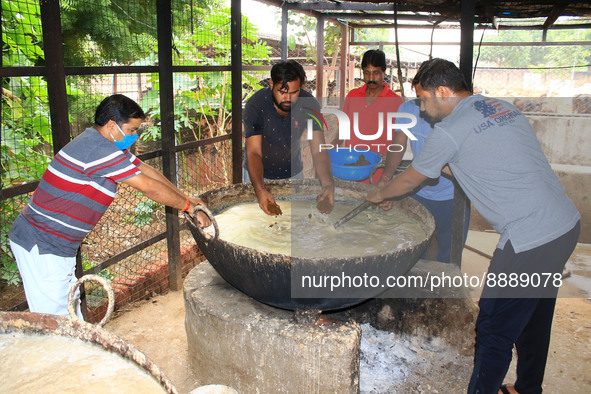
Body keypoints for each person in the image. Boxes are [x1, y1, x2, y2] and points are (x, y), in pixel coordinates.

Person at [366, 58, 580, 394]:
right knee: (534, 316)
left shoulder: (448, 130)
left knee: (493, 327)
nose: (421, 107)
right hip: (564, 226)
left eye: (423, 99)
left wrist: (379, 193)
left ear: (443, 91)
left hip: (529, 238)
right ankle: (527, 389)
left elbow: (408, 181)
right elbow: (480, 163)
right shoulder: (499, 107)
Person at [9, 94, 211, 320]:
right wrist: (187, 207)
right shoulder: (98, 149)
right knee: (56, 322)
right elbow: (147, 187)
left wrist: (186, 198)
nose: (134, 137)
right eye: (132, 130)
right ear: (112, 125)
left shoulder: (106, 145)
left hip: (56, 243)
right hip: (42, 243)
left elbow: (146, 171)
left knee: (69, 315)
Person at [377, 98, 471, 263]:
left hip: (453, 196)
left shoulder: (458, 114)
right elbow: (398, 145)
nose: (420, 106)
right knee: (414, 251)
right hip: (419, 193)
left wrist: (387, 192)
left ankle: (443, 287)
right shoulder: (407, 108)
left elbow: (461, 166)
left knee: (449, 256)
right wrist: (386, 177)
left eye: (423, 95)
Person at [243, 60, 334, 215]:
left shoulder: (310, 105)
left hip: (293, 174)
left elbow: (318, 150)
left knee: (294, 224)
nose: (288, 99)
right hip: (258, 176)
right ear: (271, 84)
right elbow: (253, 153)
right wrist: (260, 189)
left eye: (294, 92)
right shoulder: (256, 105)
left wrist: (327, 185)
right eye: (282, 92)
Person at [333, 49, 405, 184]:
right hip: (350, 171)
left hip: (378, 175)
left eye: (376, 73)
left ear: (384, 72)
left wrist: (387, 176)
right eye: (367, 73)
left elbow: (399, 142)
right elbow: (342, 131)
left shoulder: (396, 102)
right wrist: (329, 152)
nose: (371, 78)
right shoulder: (352, 96)